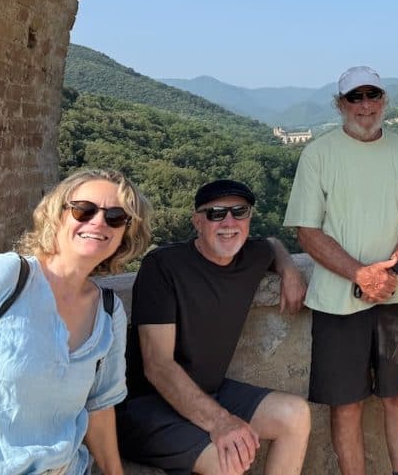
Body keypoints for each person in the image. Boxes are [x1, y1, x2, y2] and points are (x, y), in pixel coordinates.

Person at [284, 66, 398, 475]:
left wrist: (392, 268)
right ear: (340, 104)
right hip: (338, 301)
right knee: (345, 405)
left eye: (372, 95)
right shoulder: (318, 154)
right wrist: (361, 274)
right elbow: (307, 231)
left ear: (384, 100)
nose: (365, 105)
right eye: (355, 97)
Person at [117, 178, 310, 475]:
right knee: (227, 460)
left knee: (294, 415)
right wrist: (220, 422)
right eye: (216, 214)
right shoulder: (164, 266)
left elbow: (272, 245)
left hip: (209, 391)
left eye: (239, 212)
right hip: (146, 407)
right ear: (197, 222)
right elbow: (158, 366)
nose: (229, 222)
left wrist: (289, 270)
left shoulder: (252, 255)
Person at [0, 168, 151, 475]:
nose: (98, 222)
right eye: (83, 210)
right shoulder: (9, 277)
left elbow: (99, 407)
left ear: (125, 233)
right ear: (57, 215)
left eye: (115, 217)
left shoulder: (108, 311)